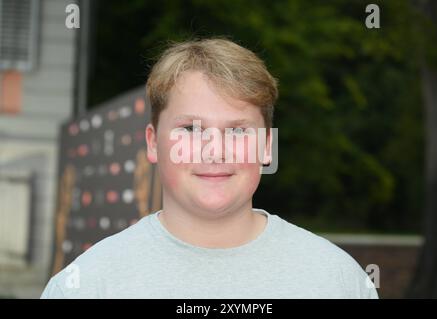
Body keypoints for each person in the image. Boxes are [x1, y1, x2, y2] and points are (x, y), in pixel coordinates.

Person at [41, 38, 378, 299]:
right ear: (152, 143)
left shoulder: (338, 280)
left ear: (266, 147)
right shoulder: (86, 285)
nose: (214, 150)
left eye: (237, 130)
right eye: (190, 129)